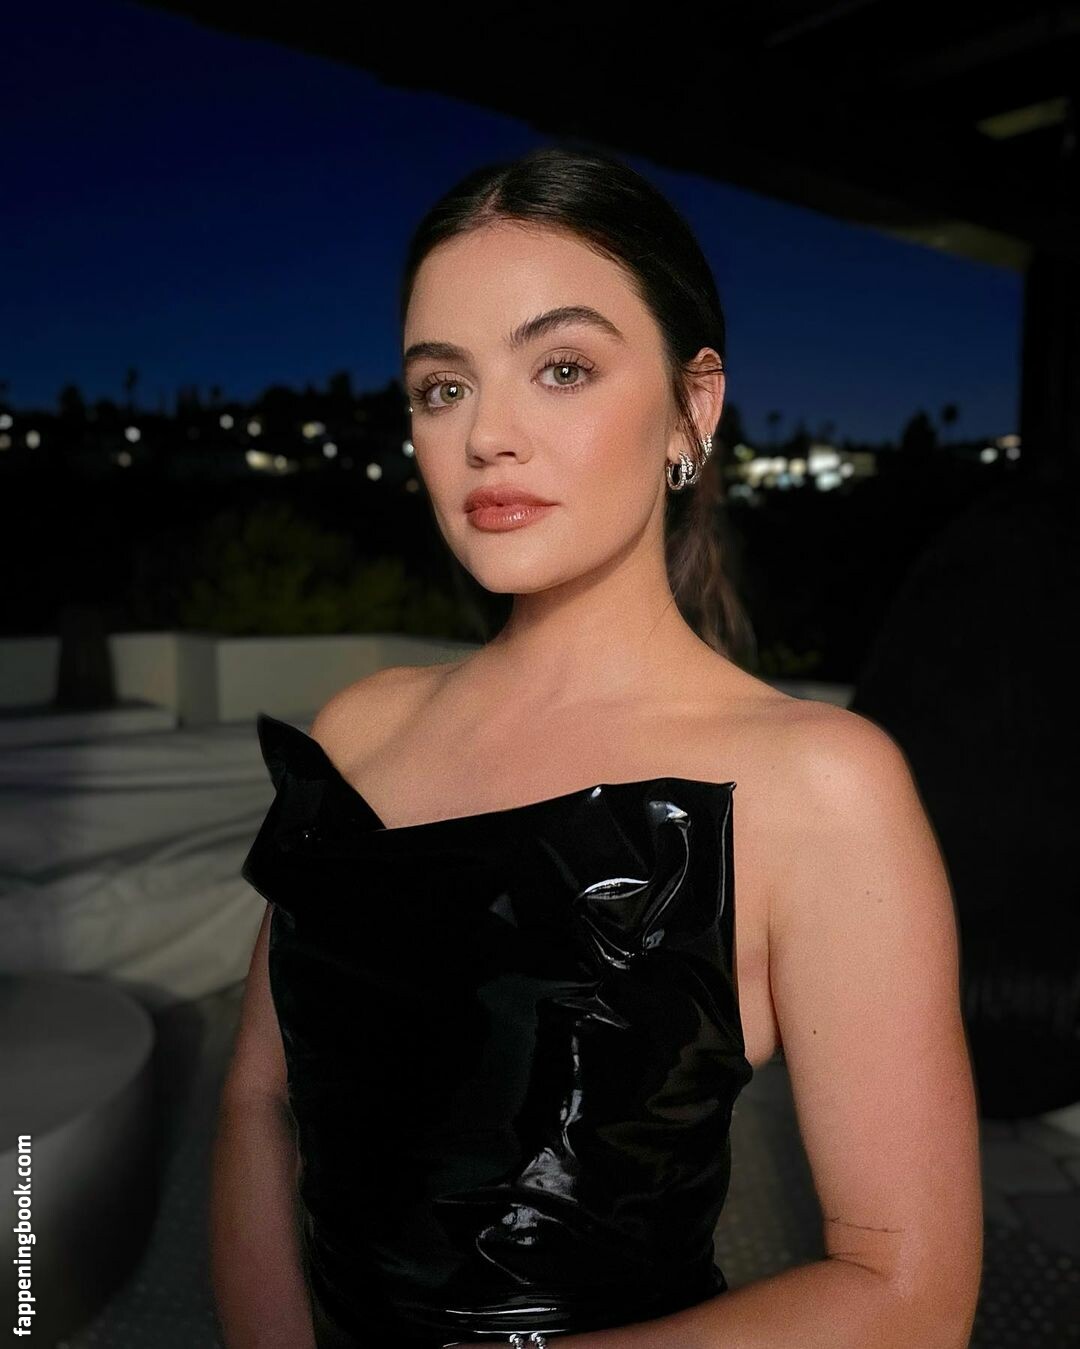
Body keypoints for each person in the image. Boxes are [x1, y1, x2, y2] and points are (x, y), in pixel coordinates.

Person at [210, 145, 983, 1348]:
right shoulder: (359, 729)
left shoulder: (819, 784)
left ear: (692, 407)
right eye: (442, 386)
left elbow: (908, 1291)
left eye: (561, 367)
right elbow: (259, 1100)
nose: (487, 435)